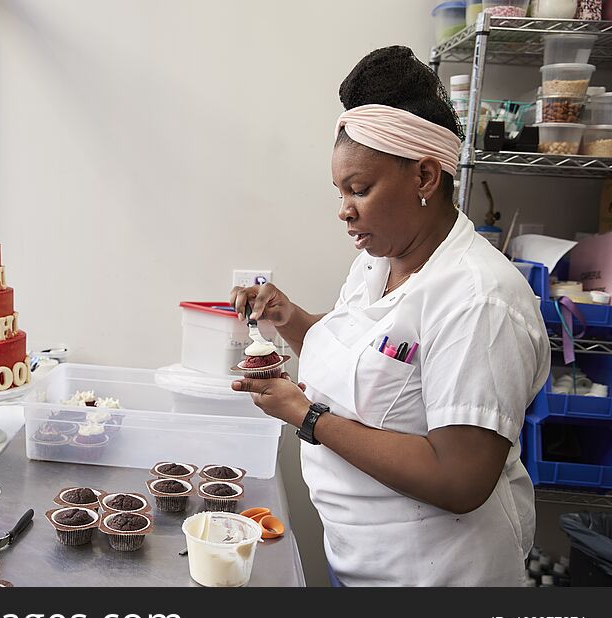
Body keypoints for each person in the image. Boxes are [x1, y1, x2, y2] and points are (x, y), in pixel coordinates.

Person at [230, 46, 550, 587]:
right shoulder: (377, 264)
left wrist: (308, 417)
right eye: (340, 191)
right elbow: (364, 364)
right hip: (359, 563)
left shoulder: (478, 300)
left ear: (425, 177)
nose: (344, 209)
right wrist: (289, 318)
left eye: (359, 189)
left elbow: (459, 478)